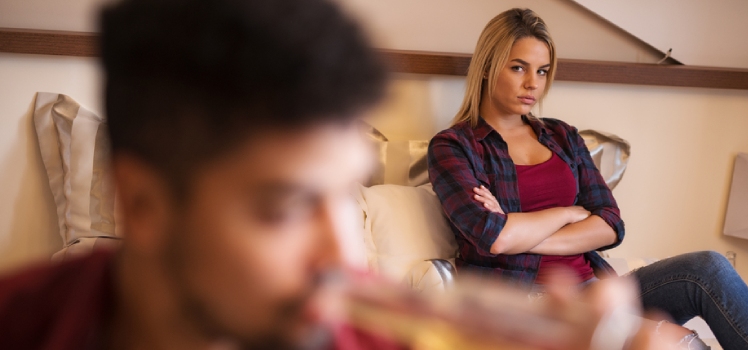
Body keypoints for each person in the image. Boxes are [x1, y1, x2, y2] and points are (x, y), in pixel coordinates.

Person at [0, 0, 678, 349]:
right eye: (287, 206)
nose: (346, 259)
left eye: (342, 196)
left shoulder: (353, 327)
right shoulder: (26, 325)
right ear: (142, 205)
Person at [427, 8, 748, 350]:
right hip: (529, 301)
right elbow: (493, 237)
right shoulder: (455, 147)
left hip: (597, 287)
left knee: (708, 268)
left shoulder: (562, 136)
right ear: (490, 67)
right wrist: (569, 212)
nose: (533, 84)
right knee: (681, 343)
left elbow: (610, 224)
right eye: (519, 68)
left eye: (542, 71)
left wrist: (521, 233)